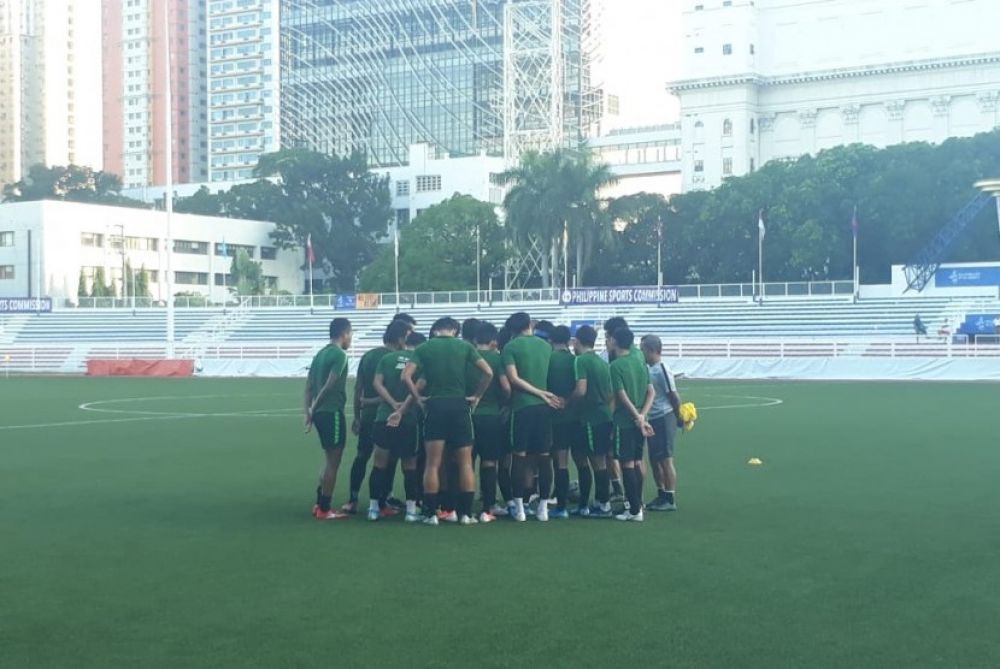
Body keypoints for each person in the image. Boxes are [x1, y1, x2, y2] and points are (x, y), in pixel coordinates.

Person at [402, 317, 494, 525]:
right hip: (459, 406)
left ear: (436, 330)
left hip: (435, 406)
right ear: (454, 330)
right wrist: (477, 396)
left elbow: (406, 377)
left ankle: (432, 514)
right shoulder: (464, 347)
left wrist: (418, 399)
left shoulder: (425, 348)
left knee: (433, 464)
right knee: (465, 463)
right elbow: (488, 372)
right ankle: (465, 514)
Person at [345, 313, 415, 514]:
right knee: (389, 460)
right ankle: (383, 501)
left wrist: (357, 414)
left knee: (362, 456)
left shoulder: (368, 355)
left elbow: (359, 388)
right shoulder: (397, 359)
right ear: (401, 338)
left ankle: (354, 498)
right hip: (389, 416)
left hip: (368, 416)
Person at [502, 312, 563, 522]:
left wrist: (537, 392)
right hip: (544, 408)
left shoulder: (510, 348)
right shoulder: (545, 346)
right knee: (544, 457)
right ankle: (543, 507)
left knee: (519, 457)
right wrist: (544, 393)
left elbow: (513, 379)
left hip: (522, 408)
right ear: (530, 324)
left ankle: (519, 508)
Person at [367, 320, 423, 522]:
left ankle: (373, 508)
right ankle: (410, 511)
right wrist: (404, 407)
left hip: (384, 417)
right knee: (409, 466)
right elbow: (420, 386)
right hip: (408, 419)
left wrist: (392, 404)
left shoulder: (387, 358)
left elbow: (377, 384)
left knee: (379, 464)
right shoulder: (418, 361)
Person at [305, 318, 353, 520]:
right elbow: (330, 384)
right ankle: (325, 509)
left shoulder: (320, 354)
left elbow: (308, 385)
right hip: (331, 411)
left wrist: (307, 412)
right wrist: (315, 405)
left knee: (328, 460)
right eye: (351, 335)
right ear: (344, 334)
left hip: (319, 413)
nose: (351, 339)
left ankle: (319, 503)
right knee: (334, 460)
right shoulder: (339, 355)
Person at [607, 326, 654, 522]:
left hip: (625, 422)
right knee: (636, 461)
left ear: (615, 342)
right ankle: (637, 506)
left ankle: (634, 510)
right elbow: (651, 391)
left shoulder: (616, 366)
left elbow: (622, 396)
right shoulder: (639, 362)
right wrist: (643, 416)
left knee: (626, 463)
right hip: (640, 421)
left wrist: (636, 416)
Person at [570, 325, 614, 517]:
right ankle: (595, 502)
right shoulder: (603, 363)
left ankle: (601, 504)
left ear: (577, 342)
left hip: (590, 418)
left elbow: (581, 390)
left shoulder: (581, 361)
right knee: (595, 460)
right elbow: (612, 394)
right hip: (603, 416)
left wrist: (567, 402)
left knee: (593, 462)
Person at [472, 321, 511, 522]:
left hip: (468, 415)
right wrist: (505, 402)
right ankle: (488, 507)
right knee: (489, 462)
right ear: (494, 341)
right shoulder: (497, 359)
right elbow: (506, 387)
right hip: (491, 416)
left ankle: (463, 506)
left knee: (465, 462)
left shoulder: (467, 357)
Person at [640, 335, 685, 512]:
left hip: (665, 416)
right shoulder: (650, 369)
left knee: (666, 458)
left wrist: (678, 415)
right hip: (653, 417)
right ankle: (661, 494)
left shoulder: (662, 369)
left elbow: (673, 394)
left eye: (643, 349)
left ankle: (670, 497)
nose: (641, 352)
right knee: (654, 458)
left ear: (651, 350)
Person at [546, 325, 577, 519]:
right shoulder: (575, 360)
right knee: (568, 461)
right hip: (574, 416)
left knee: (555, 460)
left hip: (552, 415)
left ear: (551, 340)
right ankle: (570, 504)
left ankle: (559, 504)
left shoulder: (548, 359)